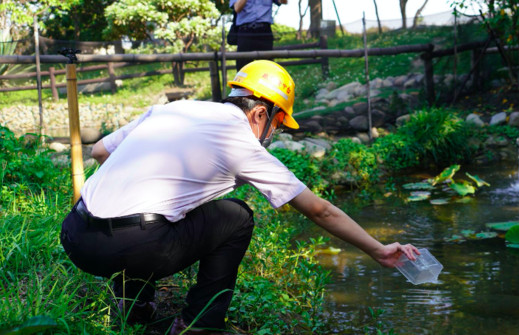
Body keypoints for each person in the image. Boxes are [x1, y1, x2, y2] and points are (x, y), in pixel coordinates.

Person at [60, 60, 419, 334]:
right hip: (135, 246)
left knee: (152, 214)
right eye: (278, 123)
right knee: (237, 216)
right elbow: (320, 211)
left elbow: (100, 152)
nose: (275, 132)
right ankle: (199, 323)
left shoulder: (176, 108)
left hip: (76, 236)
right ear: (262, 112)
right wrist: (378, 249)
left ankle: (135, 307)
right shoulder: (242, 142)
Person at [229, 0, 286, 71]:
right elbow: (237, 8)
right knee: (243, 67)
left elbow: (283, 1)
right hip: (245, 31)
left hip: (264, 31)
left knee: (267, 67)